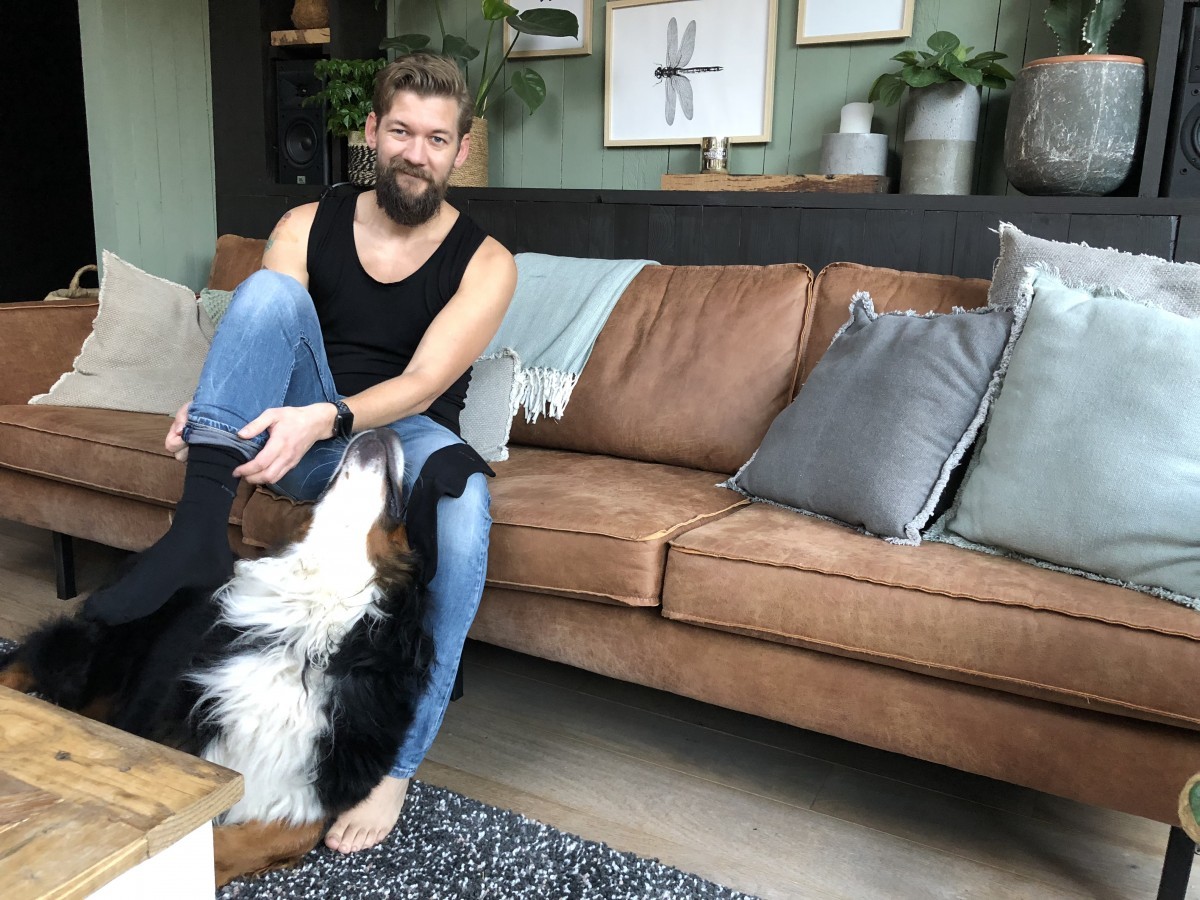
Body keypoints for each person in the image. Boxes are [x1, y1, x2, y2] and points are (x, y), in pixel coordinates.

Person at [81, 52, 517, 854]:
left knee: (464, 505)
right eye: (401, 131)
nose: (415, 153)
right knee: (269, 290)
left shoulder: (487, 263)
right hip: (298, 428)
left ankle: (395, 768)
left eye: (435, 138)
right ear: (371, 133)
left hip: (402, 435)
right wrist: (218, 406)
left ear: (459, 151)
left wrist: (330, 416)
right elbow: (265, 329)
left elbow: (424, 383)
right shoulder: (306, 225)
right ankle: (196, 535)